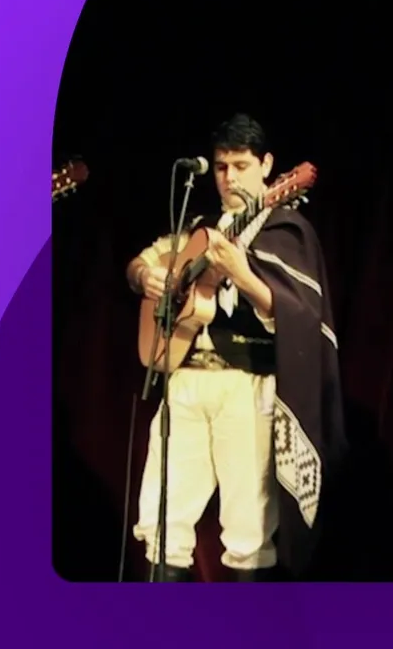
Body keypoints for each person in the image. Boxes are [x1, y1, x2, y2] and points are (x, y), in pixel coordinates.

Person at [127, 113, 345, 581]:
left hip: (245, 385)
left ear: (267, 166)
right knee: (163, 521)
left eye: (241, 166)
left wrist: (242, 274)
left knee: (248, 532)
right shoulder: (200, 228)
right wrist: (146, 276)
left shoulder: (286, 228)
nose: (229, 178)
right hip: (185, 379)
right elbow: (141, 261)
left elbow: (299, 315)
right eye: (222, 167)